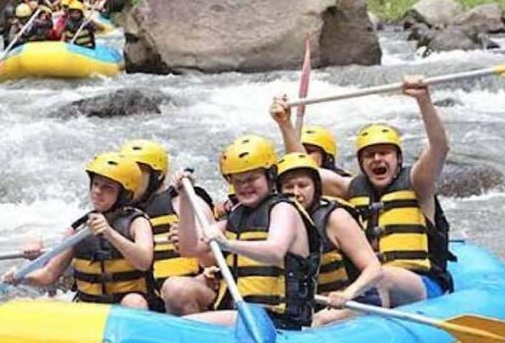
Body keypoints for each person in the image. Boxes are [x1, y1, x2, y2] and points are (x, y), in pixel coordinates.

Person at [271, 76, 454, 307]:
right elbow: (304, 171)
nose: (377, 159)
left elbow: (440, 147)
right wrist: (285, 125)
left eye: (384, 153)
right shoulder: (351, 188)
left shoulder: (419, 184)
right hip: (371, 282)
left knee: (382, 276)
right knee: (370, 279)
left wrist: (423, 100)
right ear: (361, 162)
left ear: (398, 159)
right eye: (369, 155)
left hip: (421, 283)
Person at [171, 135, 320, 329]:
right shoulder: (237, 215)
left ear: (270, 176)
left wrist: (228, 244)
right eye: (238, 181)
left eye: (251, 179)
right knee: (185, 314)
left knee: (188, 326)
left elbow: (275, 251)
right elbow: (190, 248)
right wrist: (184, 197)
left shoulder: (283, 209)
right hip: (245, 316)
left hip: (280, 320)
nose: (244, 186)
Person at [4, 152, 154, 309]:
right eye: (95, 184)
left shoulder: (137, 222)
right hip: (88, 306)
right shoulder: (78, 229)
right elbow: (49, 274)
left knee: (134, 302)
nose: (97, 191)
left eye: (107, 187)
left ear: (124, 195)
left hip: (126, 307)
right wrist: (20, 278)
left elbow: (143, 262)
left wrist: (110, 234)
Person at [275, 152, 384, 326]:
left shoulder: (336, 219)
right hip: (311, 306)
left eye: (303, 185)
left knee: (317, 321)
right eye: (288, 187)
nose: (295, 193)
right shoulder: (278, 222)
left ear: (316, 187)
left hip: (354, 302)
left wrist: (347, 294)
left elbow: (374, 269)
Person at [119, 139, 215, 312]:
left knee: (176, 289)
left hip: (193, 293)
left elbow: (217, 259)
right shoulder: (120, 214)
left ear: (157, 175)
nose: (130, 180)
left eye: (138, 174)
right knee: (131, 302)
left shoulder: (187, 202)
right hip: (152, 298)